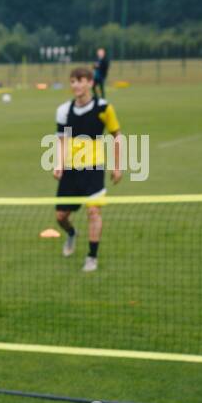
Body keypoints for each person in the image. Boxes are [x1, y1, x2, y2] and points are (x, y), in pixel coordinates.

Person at [53, 67, 122, 273]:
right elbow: (62, 139)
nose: (76, 85)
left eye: (80, 80)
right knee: (60, 217)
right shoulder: (64, 111)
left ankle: (92, 256)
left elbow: (116, 135)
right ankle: (72, 233)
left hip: (94, 168)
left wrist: (117, 166)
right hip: (71, 170)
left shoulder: (104, 108)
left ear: (90, 83)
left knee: (93, 212)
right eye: (73, 81)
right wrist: (58, 164)